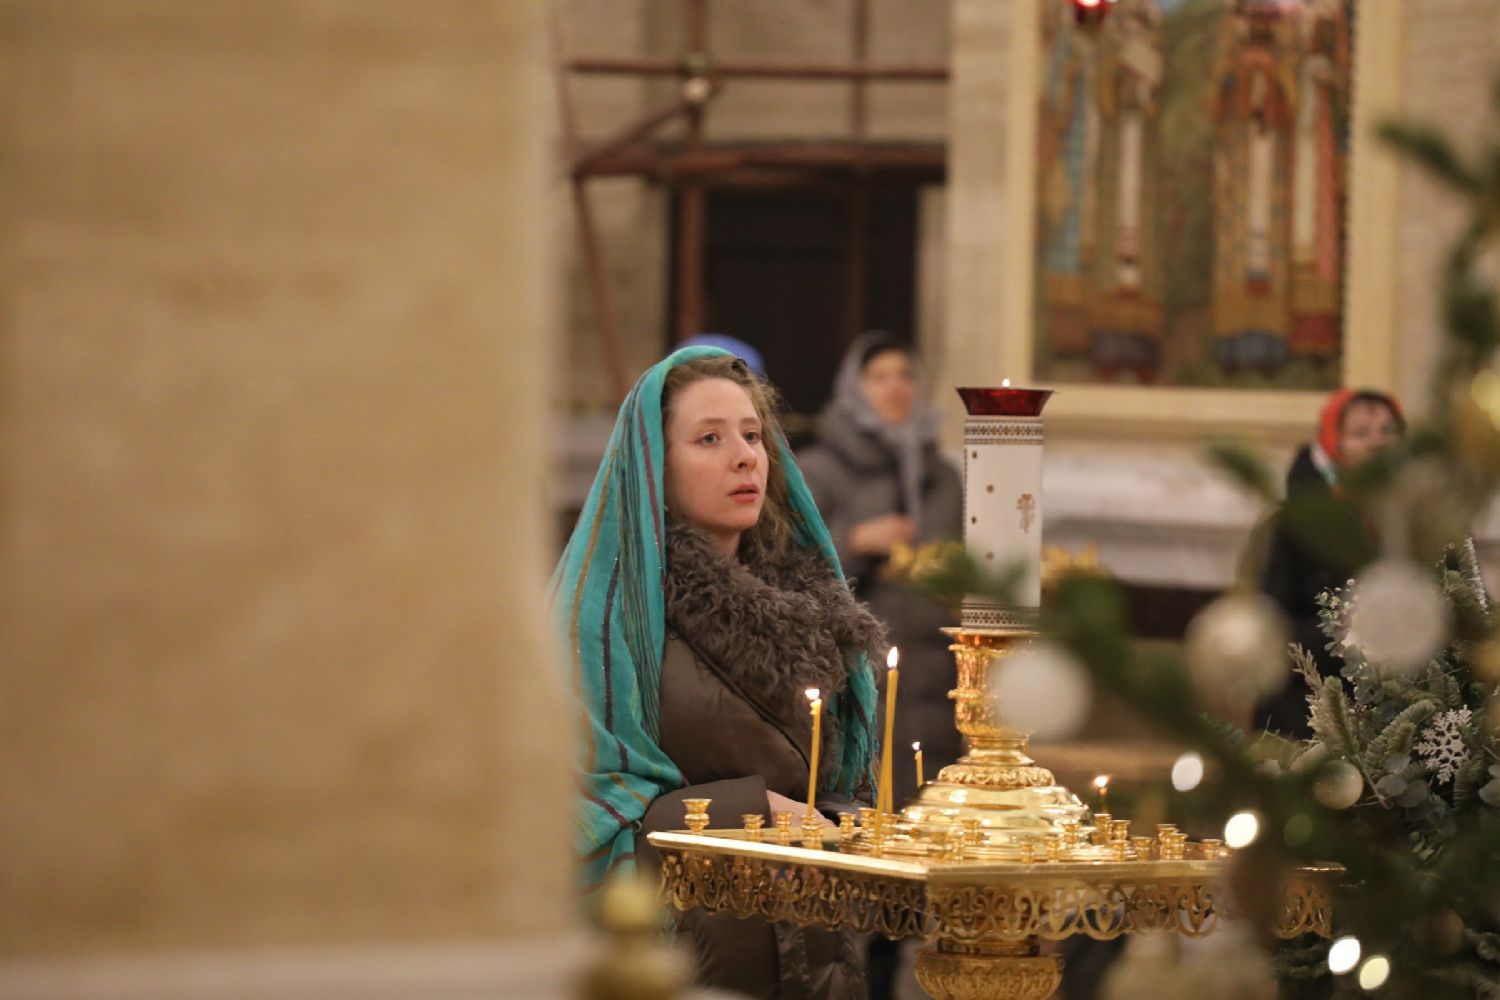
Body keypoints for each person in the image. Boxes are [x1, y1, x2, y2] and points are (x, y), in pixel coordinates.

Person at [551, 346, 887, 999]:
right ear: (654, 466)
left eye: (753, 436)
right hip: (678, 966)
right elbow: (578, 815)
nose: (744, 457)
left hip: (817, 949)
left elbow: (839, 788)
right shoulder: (601, 619)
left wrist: (844, 825)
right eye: (710, 438)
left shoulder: (815, 612)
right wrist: (754, 811)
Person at [796, 333, 963, 1000]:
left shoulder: (943, 477)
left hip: (938, 688)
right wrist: (857, 542)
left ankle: (895, 978)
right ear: (854, 387)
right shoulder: (821, 469)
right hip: (861, 686)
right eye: (880, 376)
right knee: (859, 856)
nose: (895, 388)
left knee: (918, 865)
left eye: (905, 375)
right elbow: (791, 563)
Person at [1254, 387, 1405, 737]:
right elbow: (1271, 630)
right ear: (1333, 445)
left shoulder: (1426, 516)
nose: (1378, 443)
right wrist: (1354, 636)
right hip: (1312, 700)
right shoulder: (1294, 523)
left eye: (1388, 431)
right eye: (1361, 433)